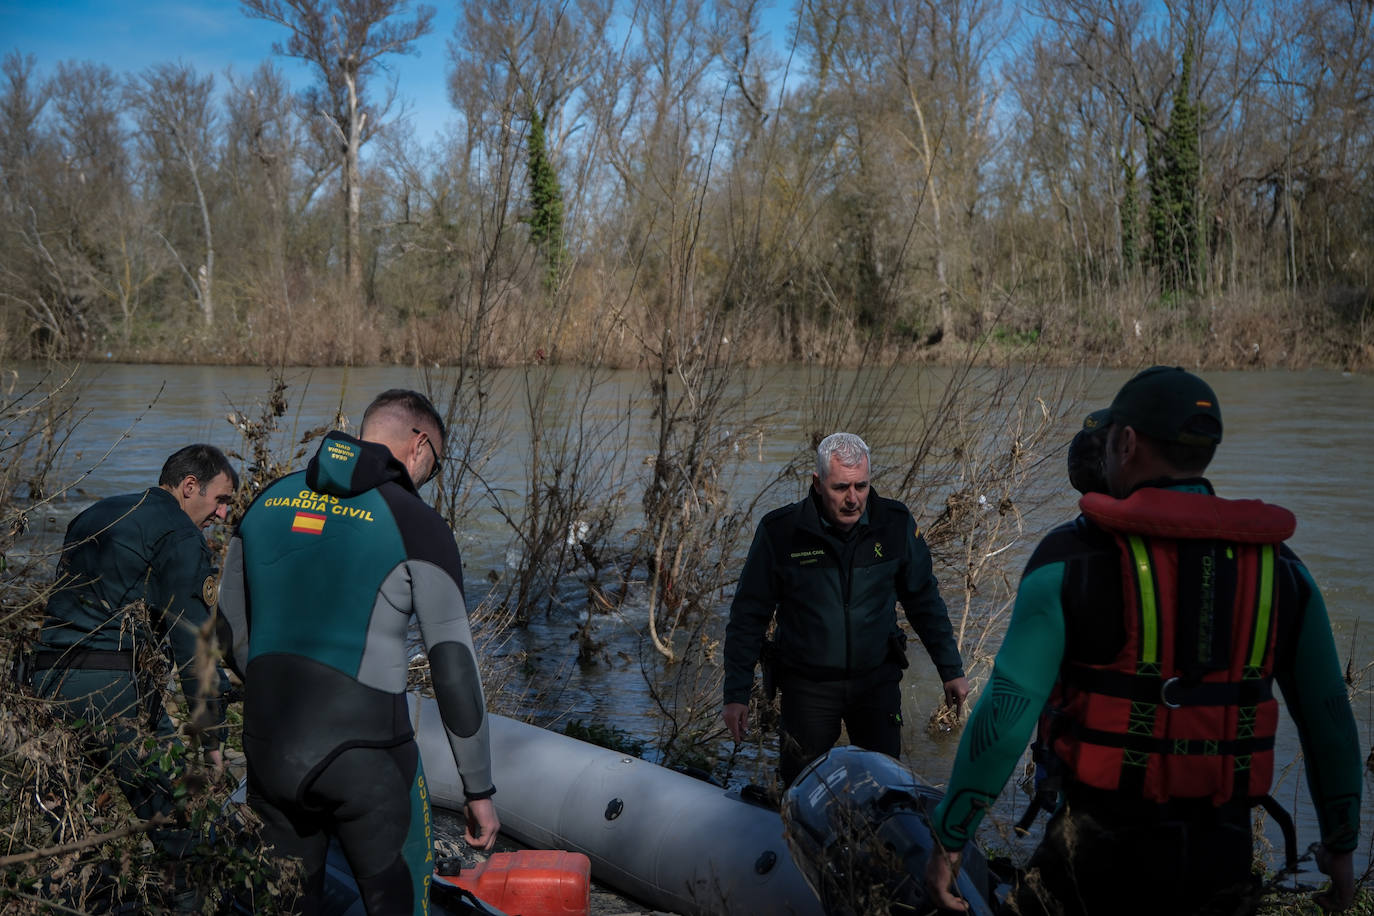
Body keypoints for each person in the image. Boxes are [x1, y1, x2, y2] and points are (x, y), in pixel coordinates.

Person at [925, 367, 1363, 915]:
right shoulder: (1285, 572)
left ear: (1125, 442)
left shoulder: (1068, 559)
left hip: (1094, 853)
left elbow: (1007, 711)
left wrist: (951, 833)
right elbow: (1330, 723)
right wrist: (1342, 845)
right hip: (1219, 857)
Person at [217, 389, 499, 916]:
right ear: (418, 446)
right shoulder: (417, 524)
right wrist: (478, 790)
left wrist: (275, 683)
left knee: (285, 905)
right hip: (369, 760)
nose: (427, 482)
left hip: (270, 747)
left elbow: (228, 626)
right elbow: (454, 668)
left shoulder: (266, 503)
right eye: (433, 467)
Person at [723, 432, 970, 787]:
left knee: (886, 791)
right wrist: (735, 695)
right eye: (841, 488)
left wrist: (951, 669)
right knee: (801, 790)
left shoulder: (894, 524)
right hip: (807, 689)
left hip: (875, 683)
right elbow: (748, 616)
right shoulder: (781, 532)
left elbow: (925, 602)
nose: (853, 499)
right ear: (818, 483)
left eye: (861, 486)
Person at [30, 444, 237, 821]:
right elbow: (194, 647)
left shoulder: (96, 513)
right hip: (113, 692)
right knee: (180, 822)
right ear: (190, 486)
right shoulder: (180, 535)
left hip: (46, 680)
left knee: (72, 827)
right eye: (221, 500)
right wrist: (212, 739)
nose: (223, 514)